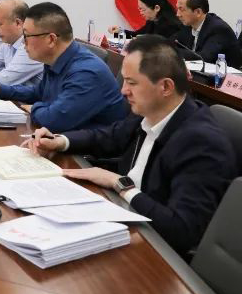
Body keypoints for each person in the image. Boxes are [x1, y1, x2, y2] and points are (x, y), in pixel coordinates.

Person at [26, 35, 236, 257]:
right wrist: (60, 141)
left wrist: (120, 184)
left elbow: (181, 231)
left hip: (156, 249)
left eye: (132, 83)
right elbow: (109, 137)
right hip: (126, 216)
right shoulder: (150, 110)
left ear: (165, 86)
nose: (123, 90)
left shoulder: (201, 143)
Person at [0, 2, 128, 131]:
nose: (23, 42)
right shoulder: (56, 60)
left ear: (51, 39)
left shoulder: (86, 72)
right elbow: (39, 92)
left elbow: (54, 120)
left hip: (88, 153)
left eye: (27, 36)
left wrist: (34, 108)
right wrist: (0, 89)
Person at [173, 0, 242, 67]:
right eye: (177, 9)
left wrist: (172, 52)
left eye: (181, 9)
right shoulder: (187, 25)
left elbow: (203, 58)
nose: (177, 14)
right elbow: (171, 43)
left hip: (226, 73)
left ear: (198, 12)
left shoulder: (218, 28)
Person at [108, 0, 182, 39]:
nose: (140, 13)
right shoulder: (152, 21)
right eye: (139, 9)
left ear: (156, 8)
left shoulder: (170, 26)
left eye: (143, 9)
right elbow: (136, 35)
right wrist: (120, 31)